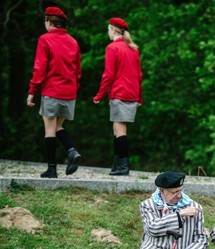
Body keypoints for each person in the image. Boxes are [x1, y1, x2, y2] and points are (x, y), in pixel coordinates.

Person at [27, 6, 82, 178]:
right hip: (69, 92)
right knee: (58, 126)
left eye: (45, 20)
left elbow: (39, 68)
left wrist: (32, 91)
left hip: (52, 90)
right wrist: (74, 88)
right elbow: (78, 71)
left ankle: (52, 169)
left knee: (50, 130)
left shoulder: (45, 39)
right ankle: (71, 150)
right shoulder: (73, 41)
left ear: (49, 22)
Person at [93, 17, 142, 176]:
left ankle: (123, 166)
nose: (108, 32)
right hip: (131, 92)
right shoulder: (133, 49)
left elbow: (108, 74)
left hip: (120, 92)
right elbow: (139, 75)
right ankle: (117, 164)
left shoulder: (113, 48)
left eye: (108, 29)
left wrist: (99, 95)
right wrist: (139, 96)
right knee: (117, 128)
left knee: (120, 129)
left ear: (114, 30)